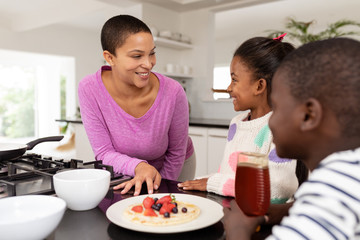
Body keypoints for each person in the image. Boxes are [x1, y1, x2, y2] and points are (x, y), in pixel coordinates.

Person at [223, 37, 360, 239]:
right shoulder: (348, 175)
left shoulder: (335, 186)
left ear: (308, 115)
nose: (270, 121)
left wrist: (238, 231)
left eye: (277, 108)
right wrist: (286, 209)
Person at [78, 14, 194, 196]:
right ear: (110, 58)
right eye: (137, 55)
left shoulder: (173, 91)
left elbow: (176, 153)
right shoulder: (89, 88)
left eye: (152, 53)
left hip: (173, 166)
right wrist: (139, 166)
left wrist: (158, 191)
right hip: (124, 169)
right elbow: (103, 152)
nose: (148, 64)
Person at [178, 36, 303, 207]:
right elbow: (230, 175)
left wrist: (212, 182)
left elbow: (278, 188)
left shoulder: (280, 128)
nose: (229, 88)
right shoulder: (237, 123)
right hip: (235, 209)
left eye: (234, 80)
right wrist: (204, 181)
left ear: (259, 86)